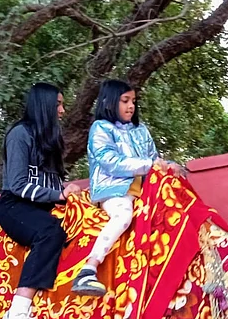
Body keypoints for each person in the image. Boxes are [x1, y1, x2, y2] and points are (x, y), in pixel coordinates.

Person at [71, 79, 184, 296]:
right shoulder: (101, 128)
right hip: (114, 190)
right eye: (125, 101)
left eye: (133, 101)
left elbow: (153, 158)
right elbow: (109, 161)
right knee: (123, 216)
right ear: (109, 102)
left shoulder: (141, 130)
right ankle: (88, 269)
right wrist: (149, 165)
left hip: (142, 190)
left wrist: (168, 165)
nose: (131, 106)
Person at [0, 82, 82, 319]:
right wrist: (59, 195)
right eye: (58, 104)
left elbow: (53, 182)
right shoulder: (19, 135)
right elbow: (19, 185)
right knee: (49, 232)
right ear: (44, 105)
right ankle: (17, 313)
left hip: (43, 207)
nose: (62, 111)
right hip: (16, 206)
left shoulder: (50, 140)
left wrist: (68, 192)